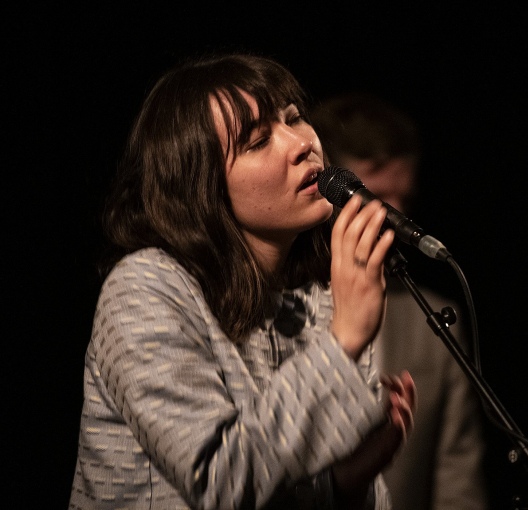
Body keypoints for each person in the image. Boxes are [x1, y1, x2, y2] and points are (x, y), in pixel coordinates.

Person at [68, 53, 417, 510]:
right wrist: (344, 340)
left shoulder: (320, 295)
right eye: (258, 141)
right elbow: (220, 483)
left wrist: (346, 485)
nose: (300, 144)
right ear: (202, 184)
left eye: (294, 118)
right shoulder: (143, 289)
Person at [310, 93, 488, 510]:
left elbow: (457, 476)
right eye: (378, 200)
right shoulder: (273, 304)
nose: (392, 220)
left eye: (403, 201)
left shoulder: (436, 320)